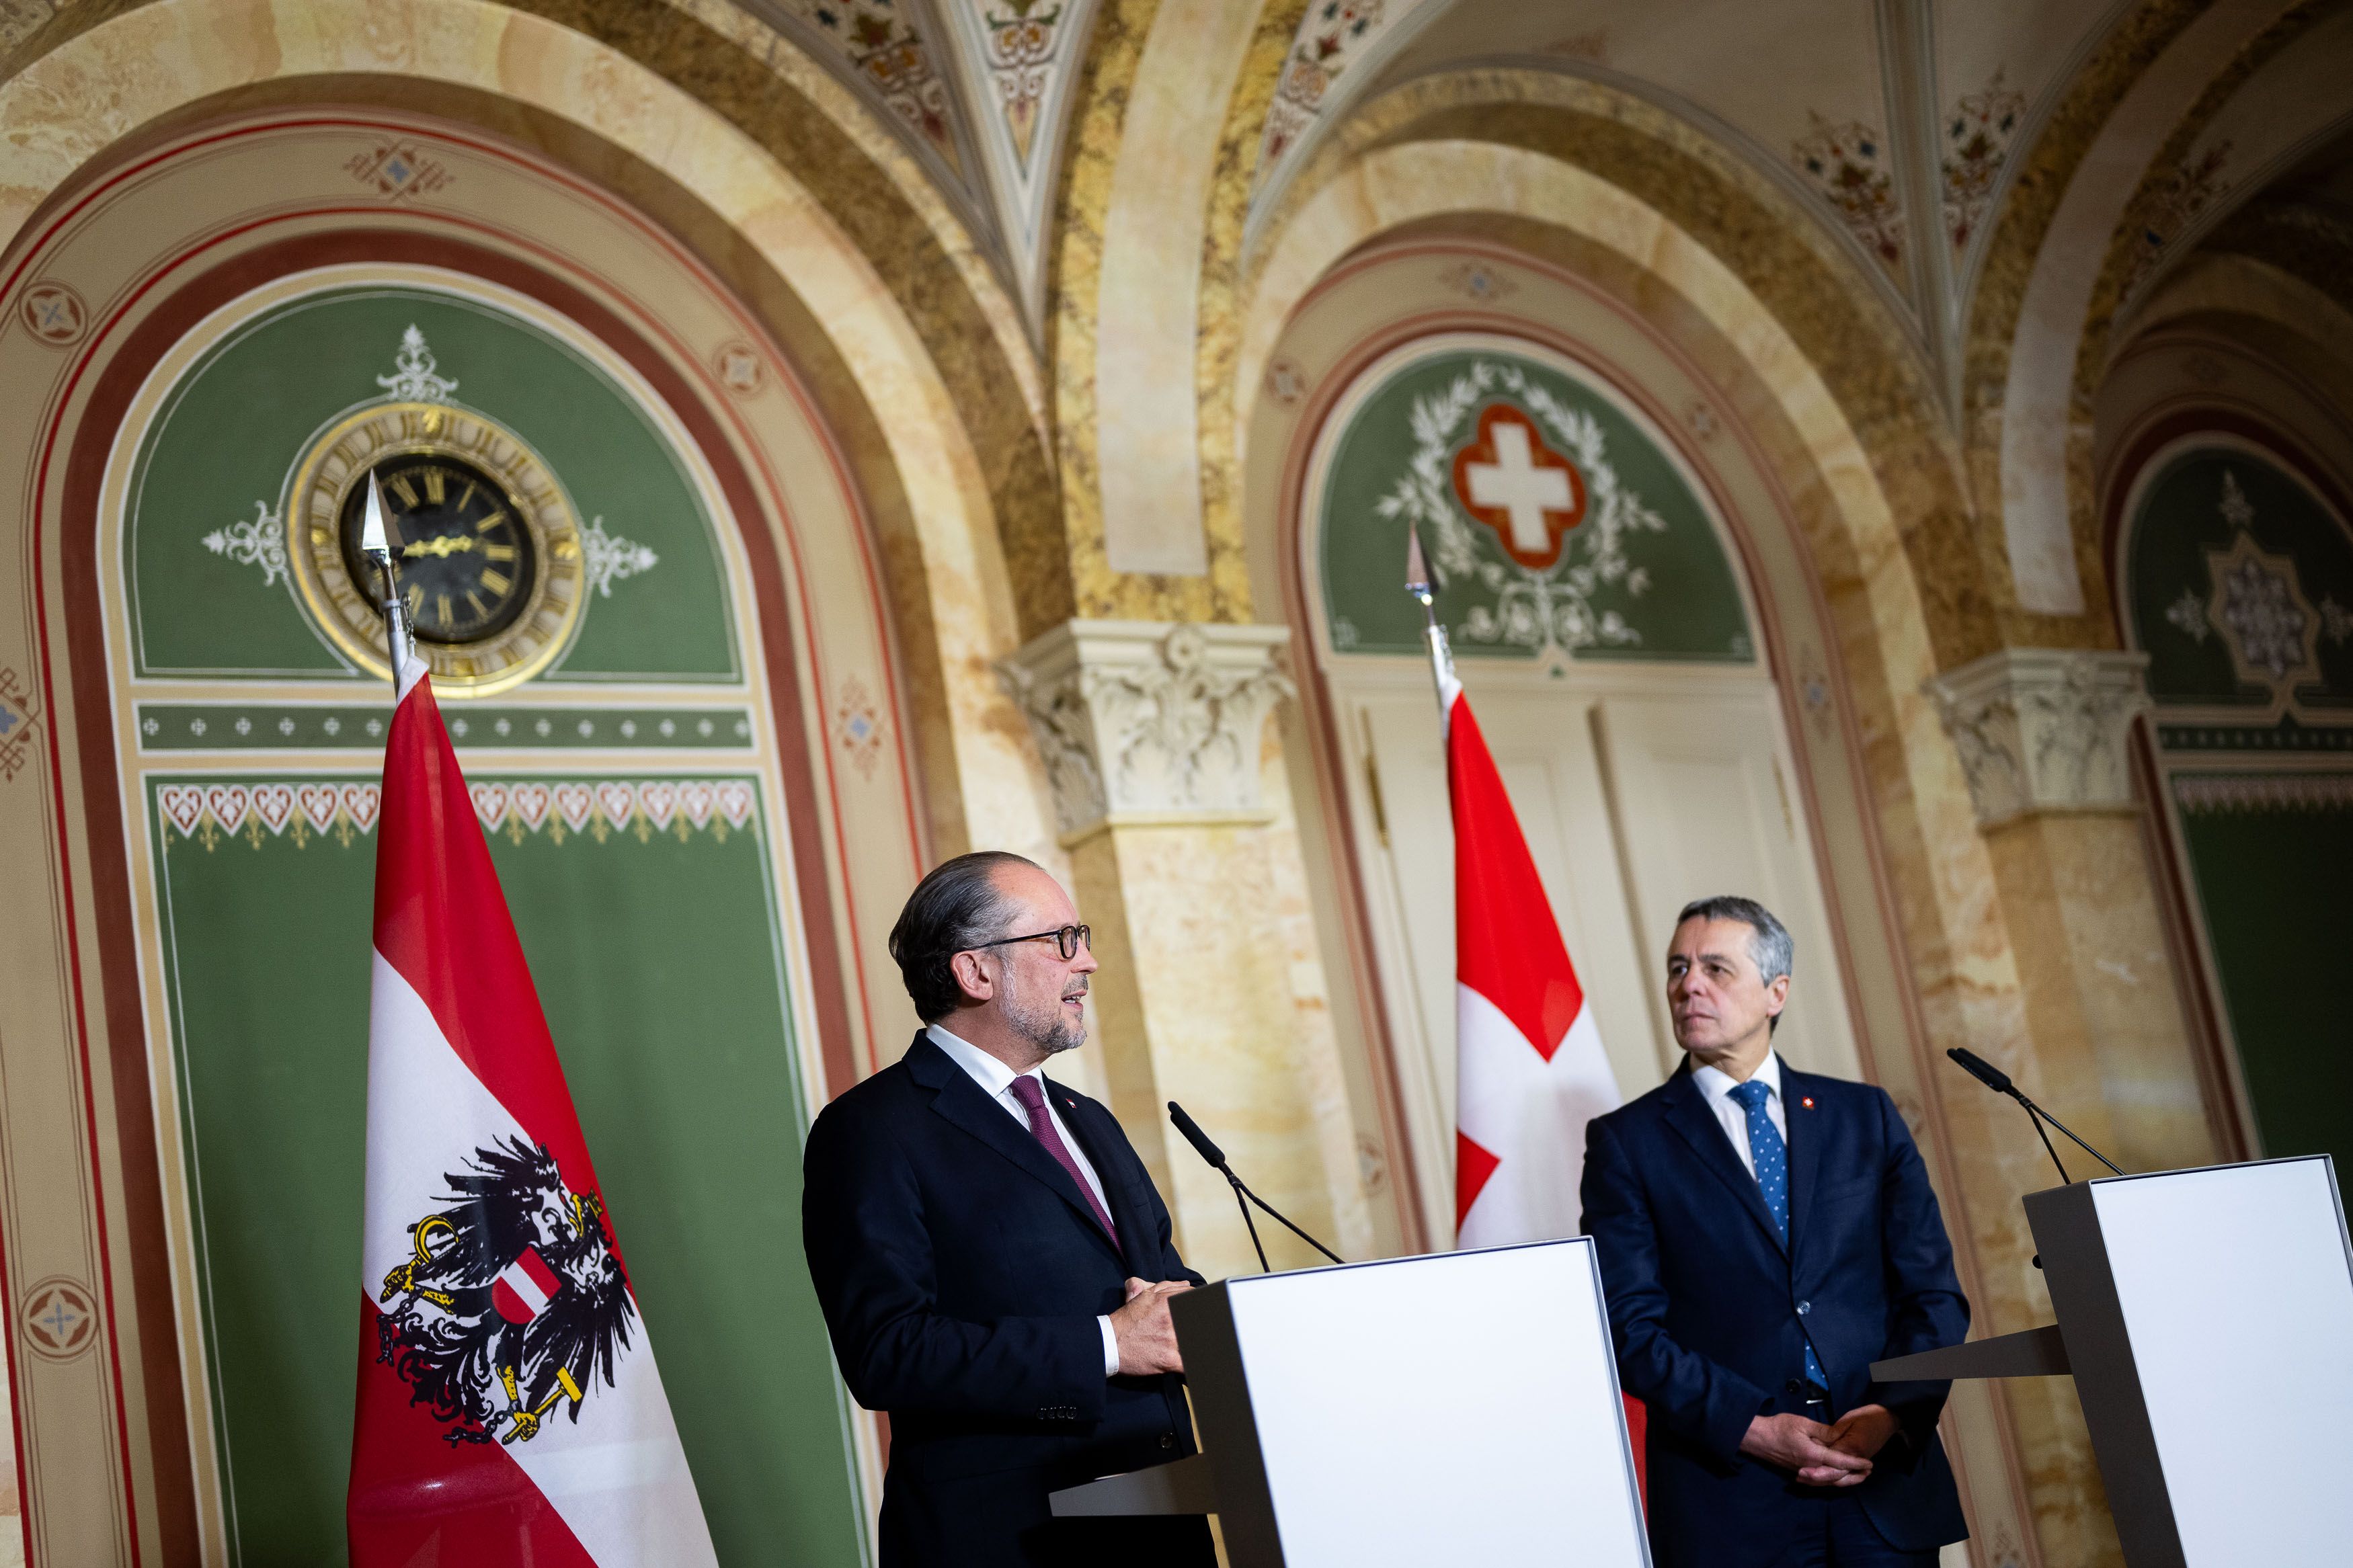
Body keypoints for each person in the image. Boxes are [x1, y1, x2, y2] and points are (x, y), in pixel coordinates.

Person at [801, 851, 1215, 1568]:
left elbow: (1158, 1288)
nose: (1087, 961)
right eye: (1060, 939)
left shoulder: (1088, 1119)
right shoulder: (870, 1128)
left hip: (1161, 1521)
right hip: (1009, 1537)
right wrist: (1107, 1344)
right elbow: (887, 1351)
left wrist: (1205, 1317)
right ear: (976, 972)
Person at [1580, 896, 1970, 1568]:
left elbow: (1932, 1293)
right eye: (1677, 967)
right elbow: (1628, 1327)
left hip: (1878, 1485)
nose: (1688, 985)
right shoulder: (1627, 1143)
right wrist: (1753, 1428)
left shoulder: (1864, 1116)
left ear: (1775, 991)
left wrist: (1889, 1415)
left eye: (1715, 968)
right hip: (1729, 1501)